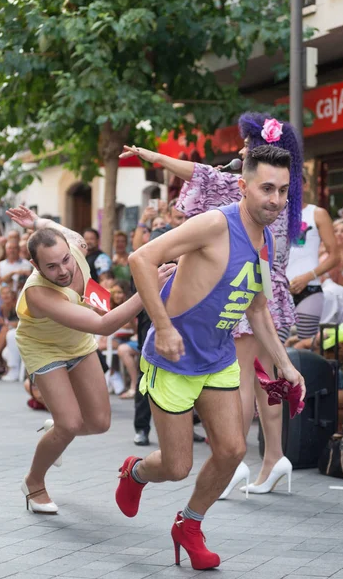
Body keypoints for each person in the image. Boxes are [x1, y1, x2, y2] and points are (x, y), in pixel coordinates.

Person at [115, 145, 305, 571]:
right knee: (176, 465)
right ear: (243, 185)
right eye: (266, 188)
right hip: (173, 359)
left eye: (283, 191)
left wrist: (286, 365)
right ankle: (136, 473)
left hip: (217, 358)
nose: (275, 199)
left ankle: (190, 524)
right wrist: (162, 327)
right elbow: (141, 258)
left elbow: (256, 308)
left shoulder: (266, 238)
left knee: (232, 450)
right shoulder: (215, 224)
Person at [6, 205, 174, 515]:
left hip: (77, 343)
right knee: (69, 423)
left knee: (99, 423)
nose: (64, 270)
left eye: (65, 260)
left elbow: (63, 239)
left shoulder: (75, 246)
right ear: (35, 265)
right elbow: (103, 325)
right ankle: (34, 482)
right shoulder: (37, 294)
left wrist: (37, 222)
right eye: (52, 266)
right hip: (44, 348)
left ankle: (54, 433)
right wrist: (149, 288)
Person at [287, 177, 339, 340]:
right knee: (274, 349)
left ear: (305, 184)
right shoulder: (274, 215)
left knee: (306, 346)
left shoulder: (317, 214)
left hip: (309, 289)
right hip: (280, 291)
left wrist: (308, 277)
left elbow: (335, 256)